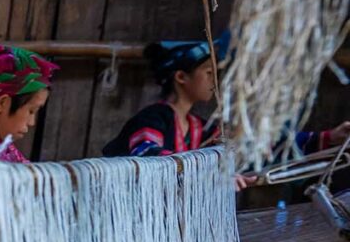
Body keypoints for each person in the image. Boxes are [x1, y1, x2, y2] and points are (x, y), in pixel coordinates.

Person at [102, 40, 349, 164]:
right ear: (180, 77)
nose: (214, 81)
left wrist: (326, 138)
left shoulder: (201, 127)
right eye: (208, 73)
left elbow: (249, 147)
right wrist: (213, 172)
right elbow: (146, 155)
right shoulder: (153, 118)